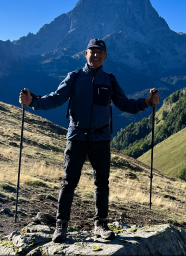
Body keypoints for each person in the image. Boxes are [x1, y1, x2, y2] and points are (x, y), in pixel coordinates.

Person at [19, 38, 159, 243]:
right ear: (85, 54)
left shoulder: (110, 80)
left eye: (99, 52)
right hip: (77, 136)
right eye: (92, 52)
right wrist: (33, 102)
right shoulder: (74, 77)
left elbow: (124, 104)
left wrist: (146, 102)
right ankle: (61, 226)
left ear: (105, 56)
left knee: (102, 182)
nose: (95, 55)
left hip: (101, 138)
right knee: (69, 182)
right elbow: (56, 98)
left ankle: (100, 224)